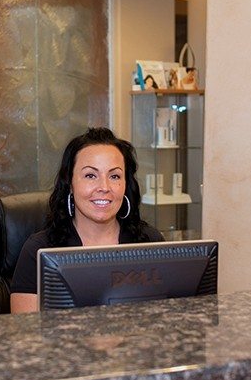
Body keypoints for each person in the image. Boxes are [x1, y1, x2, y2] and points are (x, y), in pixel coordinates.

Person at [10, 127, 163, 313]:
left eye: (114, 176)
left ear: (125, 185)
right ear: (70, 184)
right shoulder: (39, 251)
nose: (104, 187)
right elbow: (27, 334)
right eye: (91, 175)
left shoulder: (150, 244)